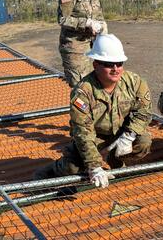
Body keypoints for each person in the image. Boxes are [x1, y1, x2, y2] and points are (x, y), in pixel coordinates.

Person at [35, 34, 152, 188]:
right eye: (109, 64)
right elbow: (83, 131)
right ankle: (52, 170)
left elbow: (144, 112)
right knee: (73, 168)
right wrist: (94, 166)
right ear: (95, 64)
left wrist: (129, 136)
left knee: (143, 142)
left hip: (120, 134)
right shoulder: (83, 92)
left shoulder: (134, 82)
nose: (115, 69)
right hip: (94, 137)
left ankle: (115, 159)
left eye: (119, 63)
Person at [58, 0, 107, 88]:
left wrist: (102, 28)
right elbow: (63, 19)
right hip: (74, 49)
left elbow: (98, 15)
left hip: (92, 46)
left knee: (94, 86)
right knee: (79, 87)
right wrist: (85, 23)